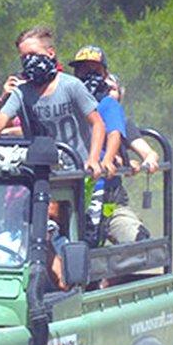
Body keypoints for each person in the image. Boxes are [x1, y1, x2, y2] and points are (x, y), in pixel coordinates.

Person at [0, 26, 113, 179]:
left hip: (77, 169)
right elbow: (2, 116)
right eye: (24, 57)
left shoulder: (71, 85)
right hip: (42, 171)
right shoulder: (22, 92)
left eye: (33, 54)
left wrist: (93, 159)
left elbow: (97, 123)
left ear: (50, 53)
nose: (30, 61)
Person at [69, 45, 150, 244]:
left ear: (104, 73)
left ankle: (109, 268)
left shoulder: (107, 104)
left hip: (104, 187)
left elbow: (114, 133)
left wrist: (106, 159)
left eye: (94, 70)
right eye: (83, 70)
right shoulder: (68, 101)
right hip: (70, 180)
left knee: (98, 232)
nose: (88, 75)